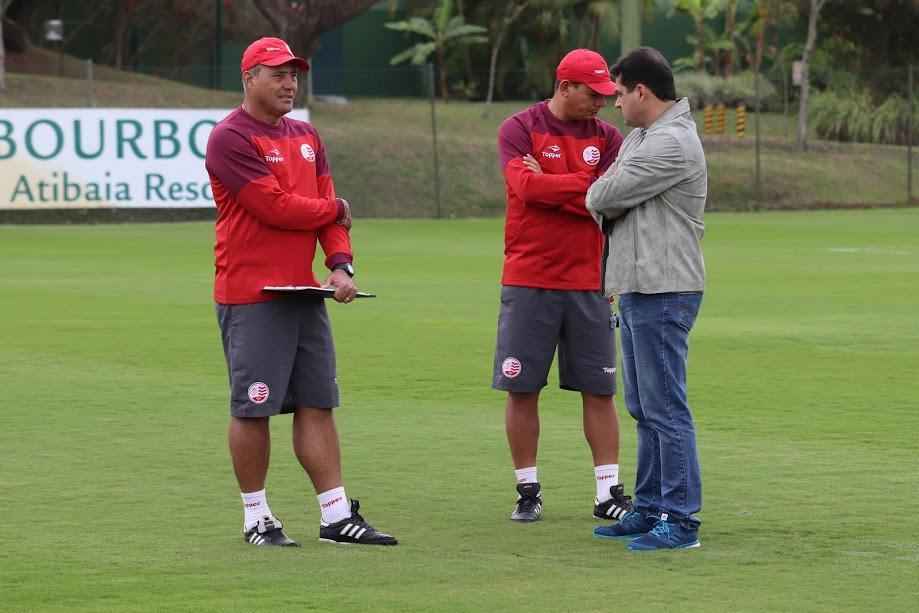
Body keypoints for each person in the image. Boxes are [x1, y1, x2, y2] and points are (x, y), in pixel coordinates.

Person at [204, 37, 397, 547]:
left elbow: (326, 207)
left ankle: (335, 516)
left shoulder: (307, 134)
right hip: (251, 294)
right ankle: (256, 517)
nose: (290, 82)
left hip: (303, 293)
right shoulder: (229, 138)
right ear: (249, 79)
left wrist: (340, 264)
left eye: (294, 74)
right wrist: (334, 210)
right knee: (254, 407)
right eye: (277, 73)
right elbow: (275, 207)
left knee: (317, 403)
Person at [493, 48, 632, 523]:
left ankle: (608, 492)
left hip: (589, 281)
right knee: (523, 388)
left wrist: (559, 186)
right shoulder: (519, 129)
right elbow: (525, 191)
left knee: (599, 390)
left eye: (605, 94)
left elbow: (610, 204)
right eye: (592, 94)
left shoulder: (611, 138)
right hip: (529, 278)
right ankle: (528, 489)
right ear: (564, 86)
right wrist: (585, 186)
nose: (600, 102)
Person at [586, 47, 707, 551]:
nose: (613, 103)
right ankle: (651, 505)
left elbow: (600, 196)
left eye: (617, 93)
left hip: (664, 286)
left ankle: (680, 520)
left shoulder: (672, 142)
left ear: (641, 91)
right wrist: (605, 190)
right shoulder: (641, 137)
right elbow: (606, 191)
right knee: (641, 404)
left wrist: (604, 192)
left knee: (665, 407)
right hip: (636, 284)